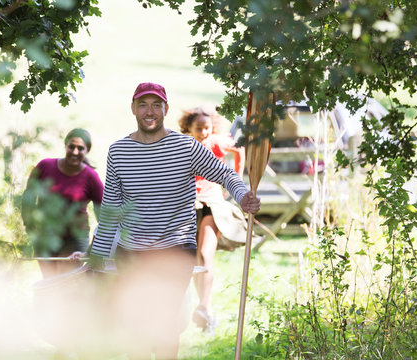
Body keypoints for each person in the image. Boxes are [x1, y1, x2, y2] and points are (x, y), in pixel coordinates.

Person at [79, 83, 260, 359]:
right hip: (132, 252)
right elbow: (112, 212)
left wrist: (243, 195)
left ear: (165, 108)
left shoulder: (186, 147)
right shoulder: (118, 152)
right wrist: (97, 257)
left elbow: (225, 174)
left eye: (155, 105)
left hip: (175, 249)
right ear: (133, 109)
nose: (149, 111)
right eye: (143, 105)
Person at [178, 106, 249, 334]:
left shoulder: (216, 142)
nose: (203, 133)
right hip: (188, 205)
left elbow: (239, 150)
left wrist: (236, 176)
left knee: (206, 254)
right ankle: (201, 310)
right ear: (188, 128)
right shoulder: (183, 145)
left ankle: (204, 307)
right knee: (192, 258)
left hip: (211, 204)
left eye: (206, 128)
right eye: (198, 129)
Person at [22, 128, 104, 278]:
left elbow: (105, 218)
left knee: (65, 284)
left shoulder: (91, 177)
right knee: (49, 282)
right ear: (65, 145)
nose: (75, 152)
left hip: (74, 240)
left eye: (80, 148)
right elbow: (28, 198)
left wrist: (91, 250)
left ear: (87, 151)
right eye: (71, 146)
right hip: (45, 238)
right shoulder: (45, 166)